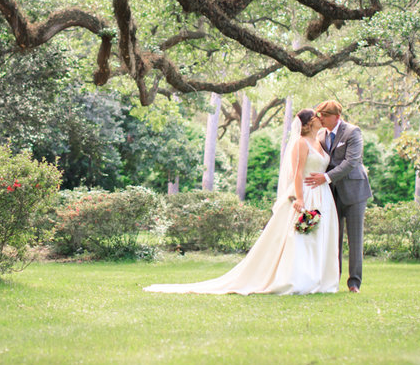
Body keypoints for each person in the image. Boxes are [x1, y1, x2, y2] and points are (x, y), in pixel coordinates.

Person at [143, 109, 339, 295]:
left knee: (319, 237)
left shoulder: (320, 143)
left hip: (323, 196)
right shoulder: (301, 143)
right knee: (301, 238)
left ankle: (318, 278)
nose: (319, 117)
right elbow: (297, 172)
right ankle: (297, 279)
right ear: (307, 123)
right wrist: (299, 198)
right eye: (315, 115)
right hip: (305, 194)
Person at [304, 100, 371, 293]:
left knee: (355, 239)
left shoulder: (353, 132)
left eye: (324, 115)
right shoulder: (321, 135)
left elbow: (351, 162)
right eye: (320, 115)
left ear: (337, 117)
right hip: (331, 194)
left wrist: (325, 178)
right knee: (333, 239)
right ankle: (333, 279)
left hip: (355, 192)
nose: (321, 119)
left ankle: (354, 283)